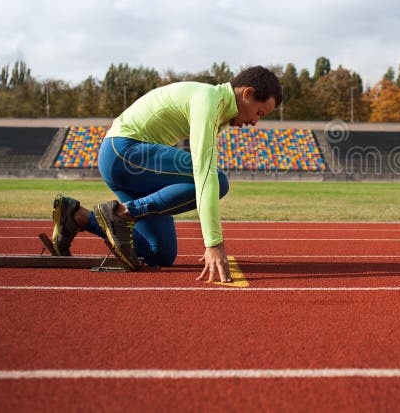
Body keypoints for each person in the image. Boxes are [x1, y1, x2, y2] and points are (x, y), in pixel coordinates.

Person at [49, 66, 282, 283]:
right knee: (217, 180)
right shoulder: (209, 100)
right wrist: (214, 244)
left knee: (159, 254)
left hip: (137, 168)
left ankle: (76, 216)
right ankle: (125, 213)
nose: (254, 122)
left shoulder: (218, 110)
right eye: (259, 112)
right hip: (123, 152)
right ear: (247, 93)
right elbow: (204, 175)